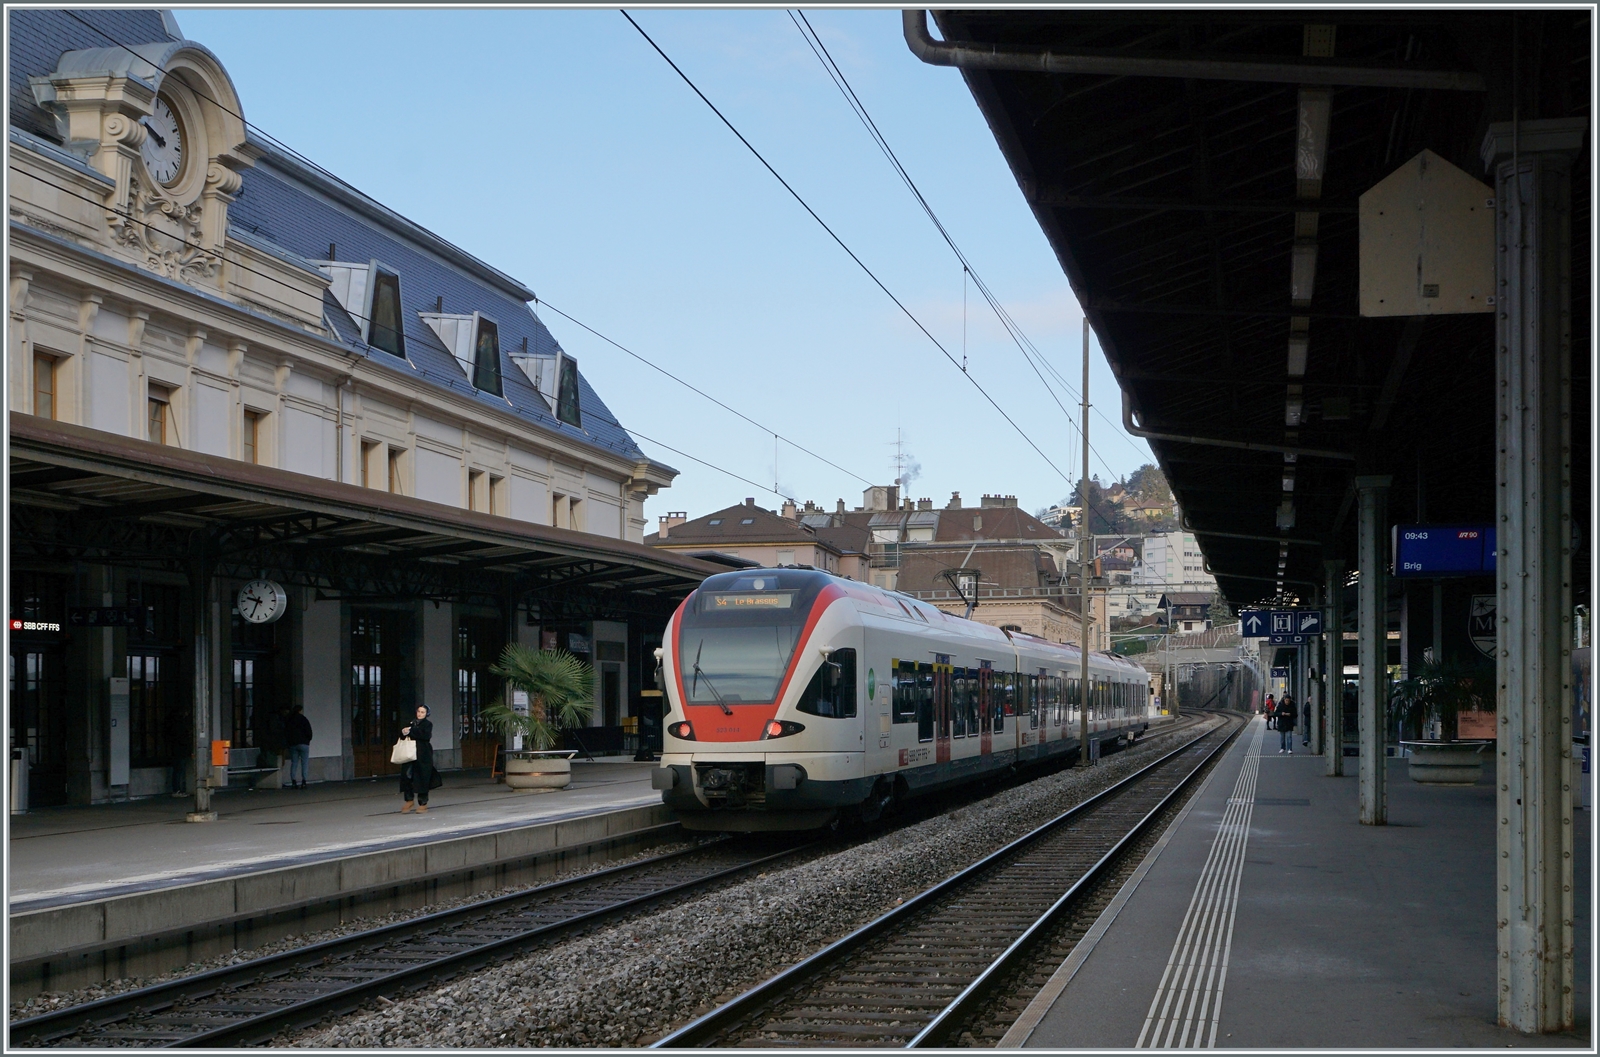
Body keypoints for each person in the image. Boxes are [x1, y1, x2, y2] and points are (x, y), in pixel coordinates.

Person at [398, 704, 441, 813]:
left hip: (423, 754)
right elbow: (402, 736)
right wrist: (403, 732)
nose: (420, 714)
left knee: (422, 778)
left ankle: (423, 803)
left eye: (422, 712)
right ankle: (409, 800)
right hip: (410, 754)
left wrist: (411, 731)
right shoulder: (411, 723)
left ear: (426, 714)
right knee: (407, 777)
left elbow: (425, 736)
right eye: (419, 711)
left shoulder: (427, 724)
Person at [284, 704, 313, 789]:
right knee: (304, 763)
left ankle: (293, 781)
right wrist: (307, 740)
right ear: (300, 710)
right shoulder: (304, 719)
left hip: (293, 744)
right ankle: (304, 781)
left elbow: (287, 732)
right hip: (304, 743)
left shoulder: (289, 720)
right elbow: (309, 732)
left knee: (294, 763)